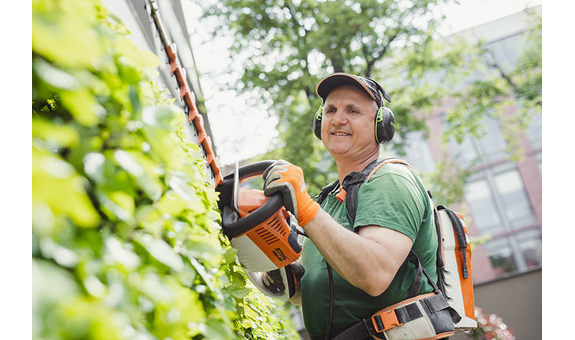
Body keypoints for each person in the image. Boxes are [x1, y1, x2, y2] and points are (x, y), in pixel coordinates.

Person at [262, 73, 439, 340]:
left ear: (381, 126)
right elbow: (325, 291)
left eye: (353, 110)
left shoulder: (389, 180)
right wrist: (286, 274)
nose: (338, 119)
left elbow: (374, 275)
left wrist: (305, 207)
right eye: (330, 110)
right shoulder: (330, 199)